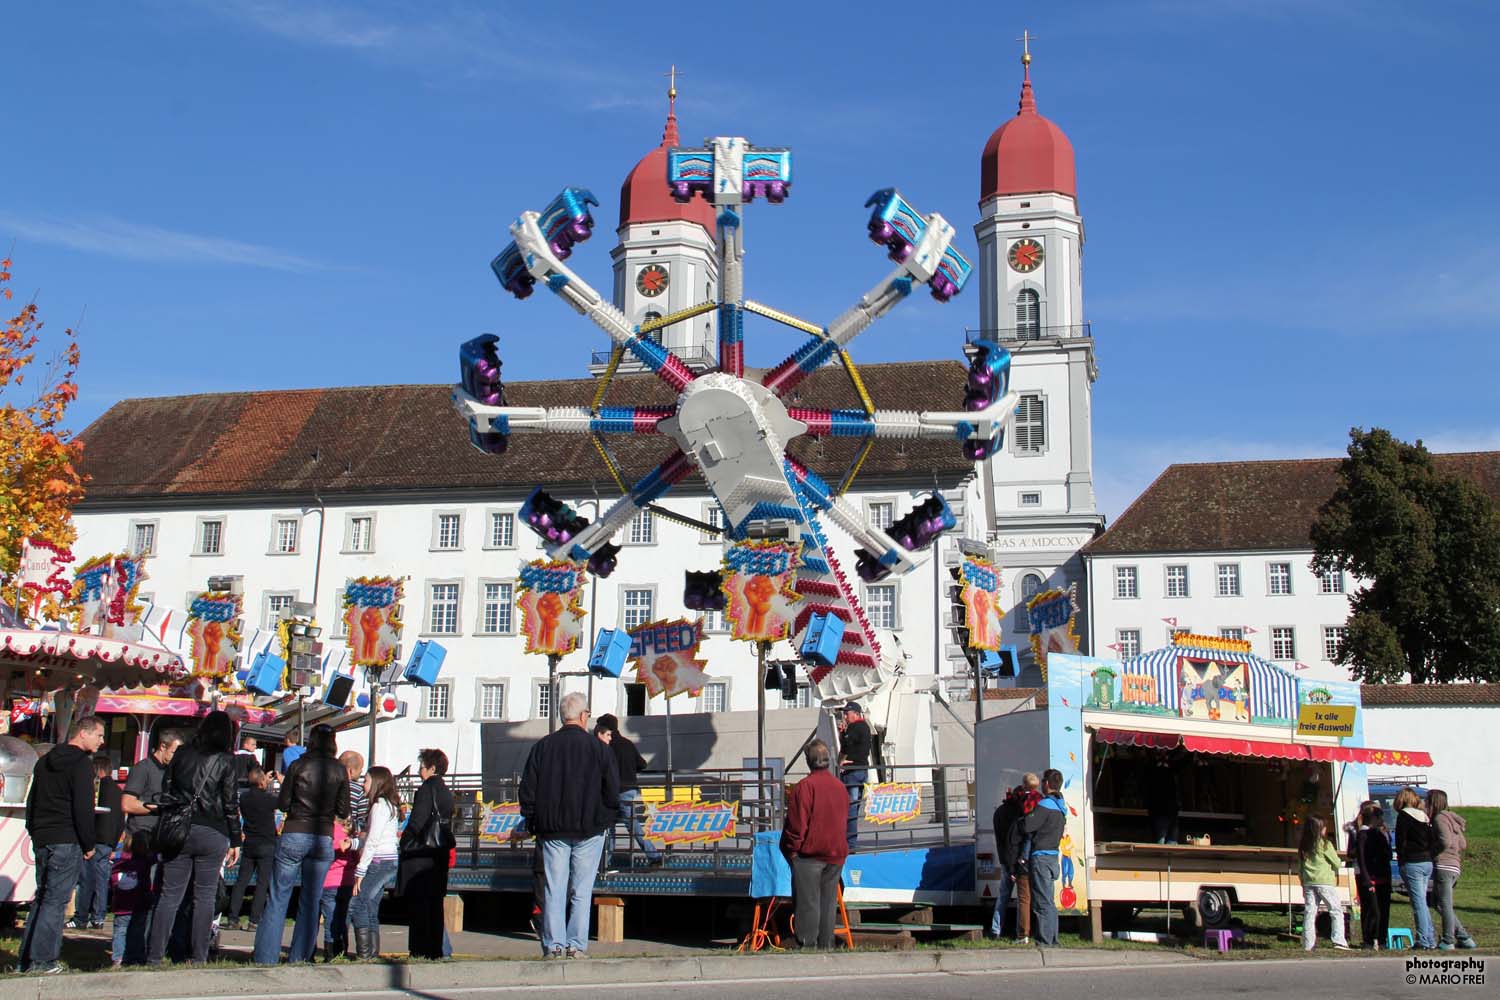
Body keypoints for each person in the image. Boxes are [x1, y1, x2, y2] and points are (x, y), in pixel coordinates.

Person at [518, 693, 618, 959]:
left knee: (554, 888)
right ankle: (576, 944)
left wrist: (533, 820)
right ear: (584, 716)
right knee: (581, 890)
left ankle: (554, 945)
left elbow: (527, 789)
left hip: (552, 828)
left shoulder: (543, 746)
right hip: (590, 827)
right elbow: (612, 790)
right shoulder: (599, 749)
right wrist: (606, 819)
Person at [145, 710, 240, 966]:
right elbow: (230, 802)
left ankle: (154, 956)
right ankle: (198, 956)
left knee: (169, 895)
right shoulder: (226, 760)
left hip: (180, 828)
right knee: (204, 896)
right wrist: (236, 839)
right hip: (213, 830)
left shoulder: (182, 753)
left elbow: (166, 788)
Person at [252, 723, 350, 965]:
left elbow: (283, 803)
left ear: (311, 741)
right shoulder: (339, 770)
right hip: (323, 835)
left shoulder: (298, 765)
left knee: (278, 897)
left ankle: (265, 957)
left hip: (295, 830)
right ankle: (300, 956)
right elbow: (343, 810)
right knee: (311, 899)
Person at [19, 716, 106, 974]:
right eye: (99, 735)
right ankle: (43, 960)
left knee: (42, 898)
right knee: (55, 901)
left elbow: (32, 799)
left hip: (43, 836)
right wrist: (89, 843)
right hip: (66, 837)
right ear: (83, 733)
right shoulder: (81, 764)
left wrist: (33, 830)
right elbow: (83, 807)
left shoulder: (45, 760)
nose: (102, 741)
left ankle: (27, 959)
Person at [780, 739, 850, 950]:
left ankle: (807, 947)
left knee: (808, 903)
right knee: (828, 903)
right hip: (835, 853)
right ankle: (825, 945)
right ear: (828, 760)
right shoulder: (840, 787)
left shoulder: (805, 787)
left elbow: (796, 824)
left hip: (809, 854)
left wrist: (792, 850)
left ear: (809, 761)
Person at [400, 748, 456, 960]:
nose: (419, 771)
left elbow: (417, 821)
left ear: (432, 768)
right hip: (439, 852)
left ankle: (420, 950)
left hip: (422, 853)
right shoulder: (445, 791)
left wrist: (406, 840)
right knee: (434, 905)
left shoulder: (426, 789)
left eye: (422, 766)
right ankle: (435, 949)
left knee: (420, 905)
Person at [594, 713, 662, 867]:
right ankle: (653, 856)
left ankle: (606, 862)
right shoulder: (627, 744)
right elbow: (642, 764)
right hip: (630, 789)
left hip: (613, 790)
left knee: (610, 826)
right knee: (632, 825)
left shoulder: (606, 746)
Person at [349, 766, 401, 960]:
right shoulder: (388, 805)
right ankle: (371, 952)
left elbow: (373, 840)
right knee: (370, 905)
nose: (363, 784)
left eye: (366, 780)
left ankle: (364, 954)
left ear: (376, 783)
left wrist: (360, 870)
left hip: (379, 861)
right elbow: (373, 837)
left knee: (358, 903)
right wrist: (354, 843)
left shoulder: (379, 806)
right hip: (387, 860)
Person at [70, 754, 123, 930]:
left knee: (86, 880)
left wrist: (86, 840)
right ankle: (98, 917)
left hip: (94, 840)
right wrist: (114, 844)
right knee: (101, 880)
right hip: (109, 842)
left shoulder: (96, 789)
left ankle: (81, 916)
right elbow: (121, 821)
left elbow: (88, 814)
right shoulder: (118, 792)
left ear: (97, 770)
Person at [226, 763, 278, 930]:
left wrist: (263, 781)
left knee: (241, 881)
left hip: (250, 842)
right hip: (267, 842)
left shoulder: (244, 798)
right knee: (262, 883)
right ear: (262, 781)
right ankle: (254, 920)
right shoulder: (269, 799)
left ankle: (233, 918)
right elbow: (282, 803)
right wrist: (271, 784)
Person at [990, 772, 1040, 941]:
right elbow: (1021, 838)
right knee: (1023, 897)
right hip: (1018, 860)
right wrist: (1019, 861)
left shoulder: (999, 812)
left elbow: (1000, 840)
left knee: (1003, 895)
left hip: (1005, 857)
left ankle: (996, 929)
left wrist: (1005, 861)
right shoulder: (1021, 811)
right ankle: (1021, 931)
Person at [1021, 768, 1066, 947]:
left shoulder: (1045, 805)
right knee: (1049, 901)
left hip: (1041, 857)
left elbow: (1027, 825)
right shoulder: (1060, 806)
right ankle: (1053, 939)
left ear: (1047, 784)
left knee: (1041, 902)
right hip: (1053, 857)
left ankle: (1045, 941)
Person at [1428, 789, 1478, 950]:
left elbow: (1445, 841)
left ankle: (1448, 940)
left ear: (1433, 802)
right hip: (1454, 865)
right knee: (1436, 902)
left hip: (1444, 864)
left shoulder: (1439, 819)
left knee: (1444, 903)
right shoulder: (1452, 819)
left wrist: (1432, 851)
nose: (1425, 805)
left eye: (1427, 801)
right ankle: (1464, 937)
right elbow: (1463, 844)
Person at [1298, 815, 1351, 951]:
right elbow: (1336, 862)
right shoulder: (1325, 844)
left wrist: (1303, 882)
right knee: (1335, 910)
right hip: (1325, 882)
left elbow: (1300, 867)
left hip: (1308, 882)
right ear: (1320, 829)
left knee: (1310, 913)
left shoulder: (1303, 846)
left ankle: (1308, 944)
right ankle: (1339, 941)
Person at [1394, 787, 1438, 949]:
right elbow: (1432, 841)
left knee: (1418, 903)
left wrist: (1401, 860)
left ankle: (1423, 939)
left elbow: (1401, 841)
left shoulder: (1404, 816)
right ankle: (1430, 938)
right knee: (1422, 902)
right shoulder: (1424, 816)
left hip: (1412, 862)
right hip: (1427, 861)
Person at [110, 829, 158, 967]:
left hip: (120, 904)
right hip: (140, 904)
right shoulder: (145, 861)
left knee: (120, 931)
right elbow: (158, 857)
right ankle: (136, 957)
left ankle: (118, 958)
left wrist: (118, 855)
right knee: (138, 932)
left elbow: (112, 881)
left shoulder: (118, 862)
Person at [121, 728, 184, 833]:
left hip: (160, 833)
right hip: (140, 833)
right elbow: (127, 804)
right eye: (174, 752)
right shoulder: (142, 768)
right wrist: (160, 808)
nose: (176, 758)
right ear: (163, 746)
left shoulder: (170, 771)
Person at [1351, 801, 1392, 950]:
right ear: (1373, 818)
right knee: (1372, 910)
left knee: (1384, 910)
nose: (1382, 820)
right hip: (1371, 877)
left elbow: (1387, 854)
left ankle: (1382, 940)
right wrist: (1367, 879)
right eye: (1379, 817)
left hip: (1383, 876)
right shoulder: (1363, 834)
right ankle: (1368, 940)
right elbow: (1361, 858)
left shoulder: (1379, 834)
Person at [318, 819, 357, 960]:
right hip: (347, 880)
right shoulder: (349, 834)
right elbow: (356, 857)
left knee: (330, 919)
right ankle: (342, 951)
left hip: (330, 880)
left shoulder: (327, 831)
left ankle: (330, 954)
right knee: (344, 918)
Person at [836, 703, 871, 851]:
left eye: (847, 713)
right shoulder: (864, 727)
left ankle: (850, 843)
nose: (845, 716)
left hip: (853, 772)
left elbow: (846, 747)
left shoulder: (856, 727)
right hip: (861, 770)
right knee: (854, 807)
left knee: (849, 808)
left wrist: (843, 762)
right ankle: (850, 842)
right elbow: (852, 747)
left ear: (855, 713)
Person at [1144, 750, 1182, 845]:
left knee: (1167, 842)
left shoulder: (1166, 768)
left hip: (1167, 811)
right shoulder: (1155, 768)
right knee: (1164, 842)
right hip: (1161, 811)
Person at [340, 751, 368, 838]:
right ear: (351, 771)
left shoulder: (328, 785)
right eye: (360, 768)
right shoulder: (359, 790)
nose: (361, 771)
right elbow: (363, 821)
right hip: (348, 838)